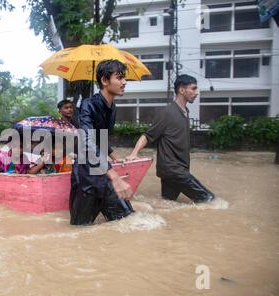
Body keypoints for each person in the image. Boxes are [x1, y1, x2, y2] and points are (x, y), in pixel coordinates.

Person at [127, 74, 215, 203]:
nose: (196, 93)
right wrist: (133, 154)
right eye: (193, 88)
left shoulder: (186, 111)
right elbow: (147, 135)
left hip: (175, 170)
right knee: (210, 200)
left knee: (168, 204)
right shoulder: (167, 112)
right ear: (182, 90)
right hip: (174, 170)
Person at [69, 59, 134, 226]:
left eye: (124, 78)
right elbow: (87, 141)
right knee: (80, 229)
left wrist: (114, 156)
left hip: (103, 173)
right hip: (86, 177)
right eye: (119, 78)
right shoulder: (88, 105)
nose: (124, 82)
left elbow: (101, 139)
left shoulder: (112, 108)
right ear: (105, 81)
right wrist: (115, 177)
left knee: (129, 221)